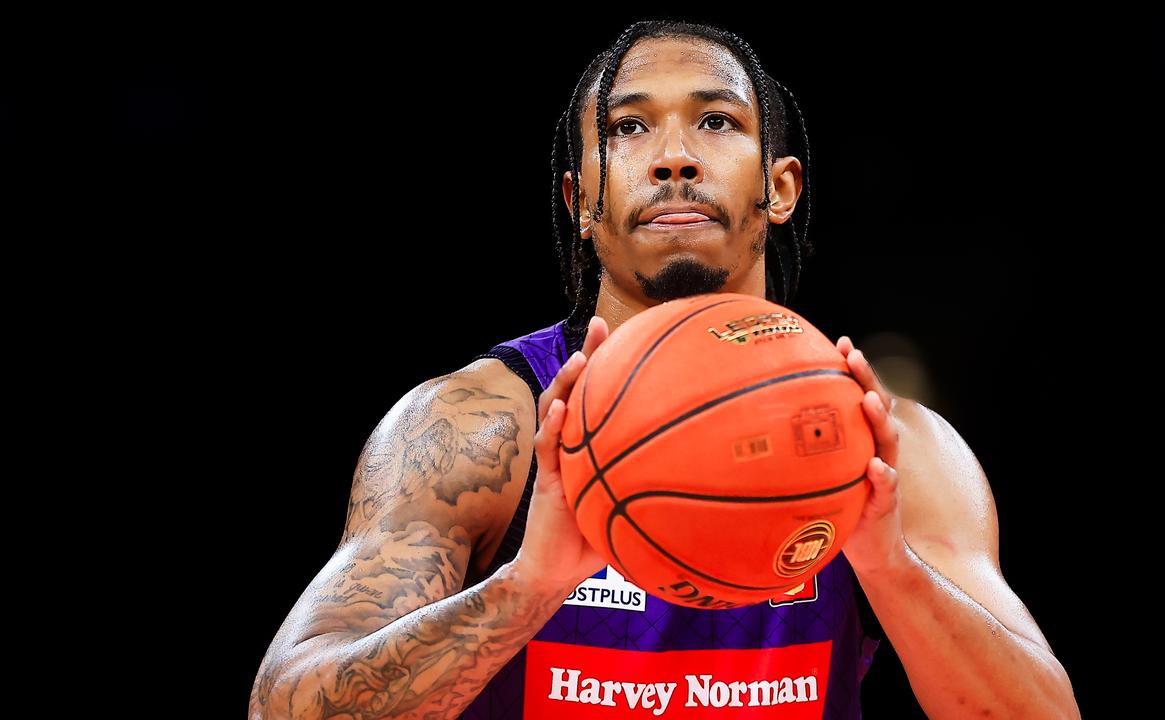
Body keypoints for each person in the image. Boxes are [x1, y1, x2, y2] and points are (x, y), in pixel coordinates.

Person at [248, 19, 1080, 719]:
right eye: (628, 128)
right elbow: (283, 707)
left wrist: (888, 567)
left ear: (782, 187)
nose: (673, 157)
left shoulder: (890, 447)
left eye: (715, 121)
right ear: (580, 200)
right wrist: (527, 587)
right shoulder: (477, 428)